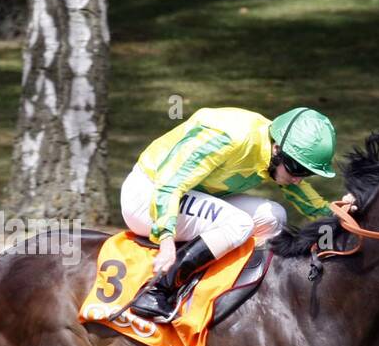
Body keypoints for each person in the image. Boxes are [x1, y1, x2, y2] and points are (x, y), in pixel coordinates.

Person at [122, 105, 351, 322]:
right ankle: (157, 290)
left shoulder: (275, 148)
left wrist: (340, 213)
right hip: (149, 195)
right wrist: (166, 240)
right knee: (239, 223)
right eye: (297, 169)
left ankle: (234, 292)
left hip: (190, 196)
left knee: (274, 216)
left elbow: (300, 193)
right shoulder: (230, 137)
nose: (299, 178)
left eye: (307, 173)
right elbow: (169, 184)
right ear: (277, 149)